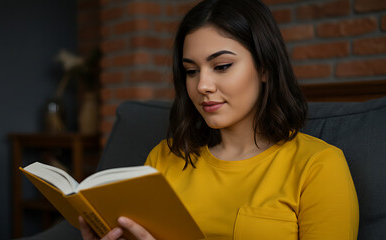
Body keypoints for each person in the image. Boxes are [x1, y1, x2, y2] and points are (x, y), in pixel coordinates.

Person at [80, 0, 359, 239]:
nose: (202, 85)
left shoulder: (318, 165)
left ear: (264, 67)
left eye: (222, 66)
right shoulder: (164, 158)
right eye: (191, 71)